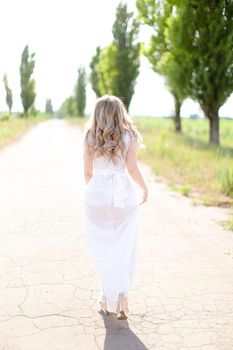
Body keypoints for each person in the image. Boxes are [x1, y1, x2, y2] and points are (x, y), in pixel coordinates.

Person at [82, 95, 148, 320]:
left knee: (102, 247)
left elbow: (88, 172)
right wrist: (144, 188)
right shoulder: (130, 136)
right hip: (123, 195)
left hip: (97, 194)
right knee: (124, 247)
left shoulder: (90, 137)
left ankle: (105, 296)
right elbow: (131, 168)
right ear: (120, 113)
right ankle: (120, 297)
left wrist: (95, 193)